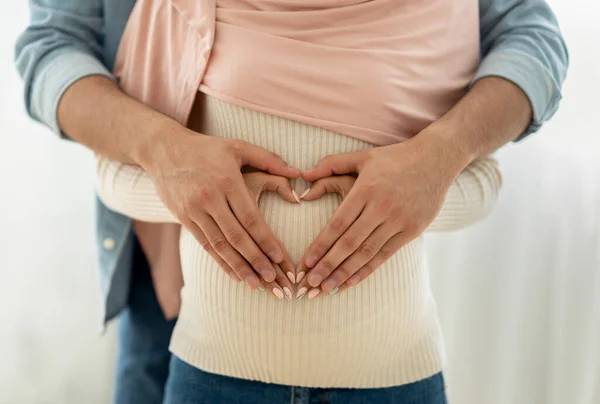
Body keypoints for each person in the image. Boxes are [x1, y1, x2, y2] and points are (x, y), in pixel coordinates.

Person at [14, 0, 568, 403]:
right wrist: (160, 150)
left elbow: (532, 40)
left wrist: (442, 156)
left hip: (392, 365)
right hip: (180, 312)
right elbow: (50, 49)